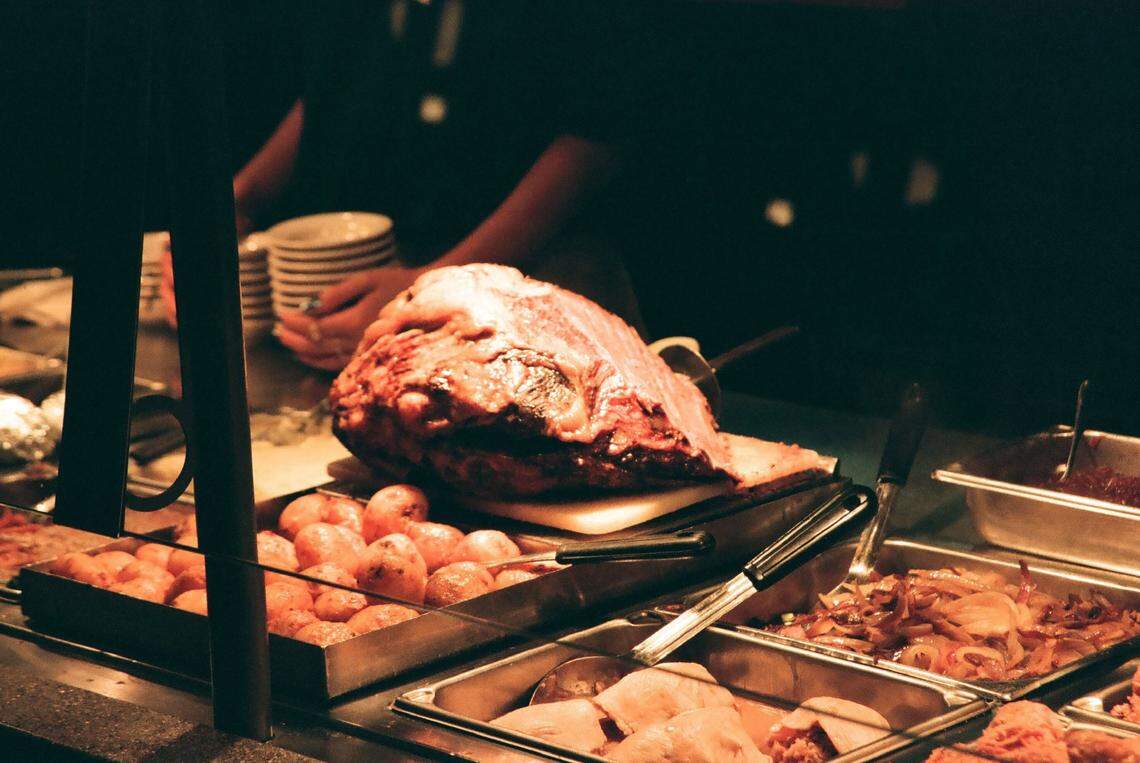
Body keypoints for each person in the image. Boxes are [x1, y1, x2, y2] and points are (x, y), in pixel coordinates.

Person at [162, 1, 642, 370]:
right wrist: (226, 209)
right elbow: (332, 88)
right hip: (374, 299)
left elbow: (594, 137)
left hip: (534, 292)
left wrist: (433, 282)